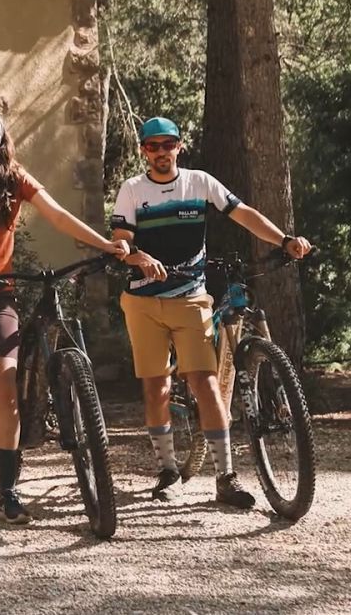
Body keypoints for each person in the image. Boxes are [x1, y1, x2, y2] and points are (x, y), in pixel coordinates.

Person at [0, 109, 129, 525]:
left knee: (4, 390)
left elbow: (57, 215)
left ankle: (10, 491)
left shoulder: (14, 180)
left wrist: (105, 245)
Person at [110, 116, 312, 508]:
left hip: (190, 297)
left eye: (168, 144)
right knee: (157, 387)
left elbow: (243, 213)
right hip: (144, 301)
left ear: (179, 147)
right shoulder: (133, 190)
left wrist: (284, 239)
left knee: (204, 382)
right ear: (143, 151)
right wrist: (138, 257)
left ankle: (225, 476)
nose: (161, 152)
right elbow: (120, 242)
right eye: (153, 146)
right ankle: (167, 471)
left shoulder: (199, 182)